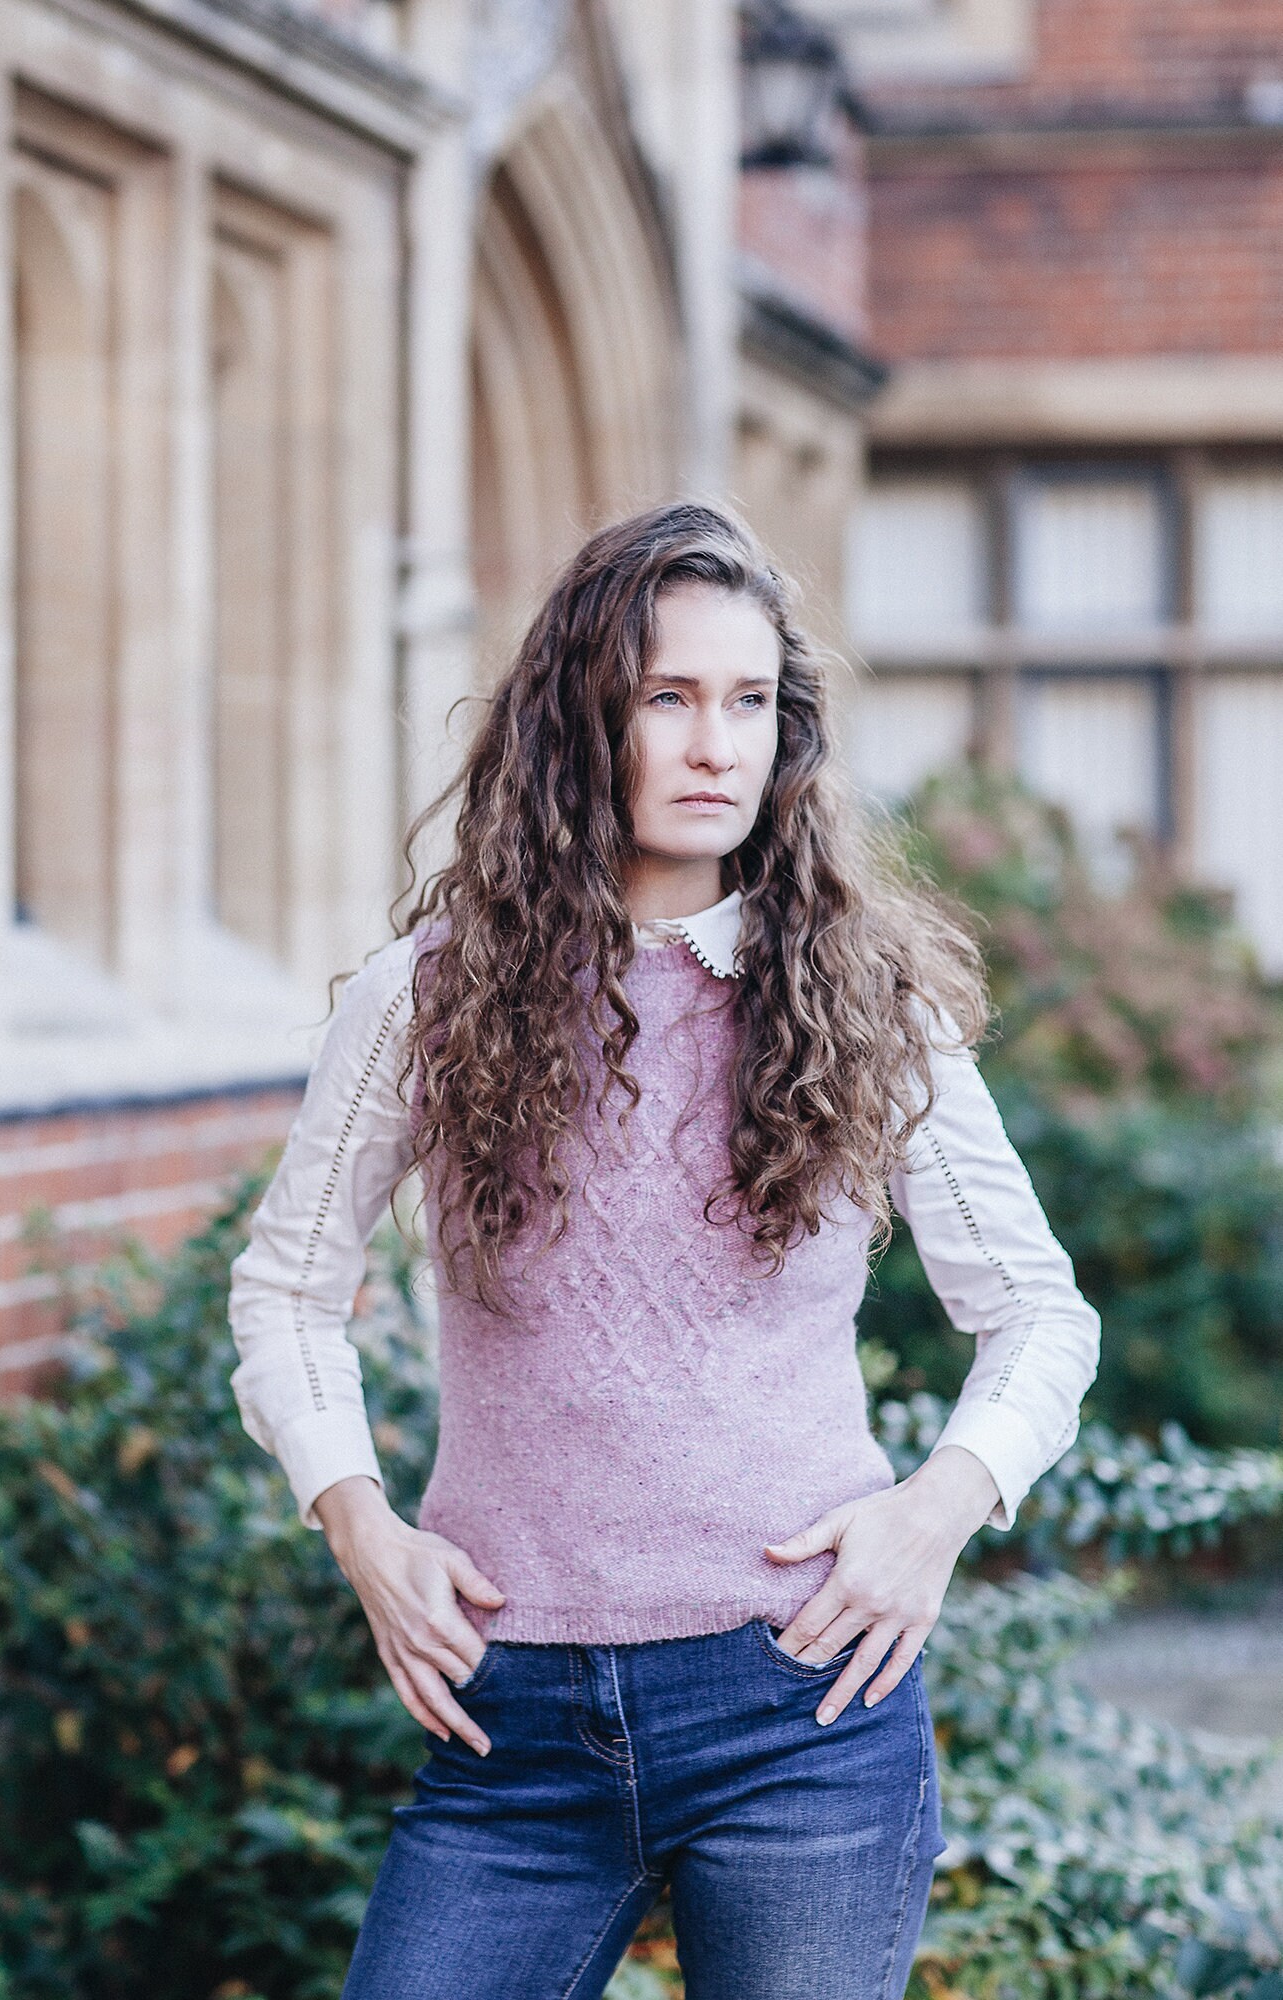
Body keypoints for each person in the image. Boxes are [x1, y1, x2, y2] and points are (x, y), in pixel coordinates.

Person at [227, 501, 1101, 2000]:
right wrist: (362, 1528)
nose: (716, 745)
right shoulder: (425, 1000)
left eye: (751, 702)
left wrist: (934, 1514)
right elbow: (286, 1289)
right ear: (585, 719)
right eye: (669, 697)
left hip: (800, 1711)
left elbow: (1035, 1312)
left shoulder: (861, 999)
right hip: (511, 1726)